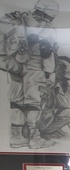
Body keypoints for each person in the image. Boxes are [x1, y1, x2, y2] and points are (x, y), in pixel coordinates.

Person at [1, 1, 60, 149]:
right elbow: (47, 52)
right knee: (34, 103)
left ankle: (17, 138)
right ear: (51, 14)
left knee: (17, 102)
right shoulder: (46, 28)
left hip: (15, 65)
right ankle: (35, 139)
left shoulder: (19, 20)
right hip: (35, 68)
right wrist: (50, 74)